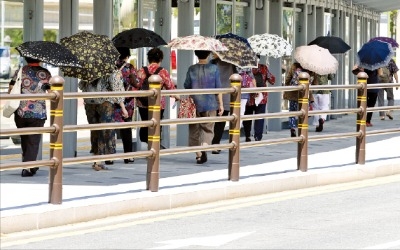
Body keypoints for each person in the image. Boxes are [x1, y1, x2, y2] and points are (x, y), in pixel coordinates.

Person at [8, 57, 51, 177]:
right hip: (38, 113)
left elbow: (11, 88)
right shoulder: (45, 73)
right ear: (40, 59)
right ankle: (27, 168)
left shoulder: (20, 71)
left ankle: (31, 164)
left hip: (21, 112)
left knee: (25, 139)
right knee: (33, 141)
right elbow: (52, 91)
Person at [79, 70, 128, 171]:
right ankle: (101, 159)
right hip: (105, 102)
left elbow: (81, 85)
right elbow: (116, 87)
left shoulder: (89, 69)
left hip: (90, 102)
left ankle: (96, 159)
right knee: (105, 130)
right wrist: (123, 107)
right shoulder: (111, 70)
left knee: (95, 130)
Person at [184, 50, 223, 164]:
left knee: (194, 129)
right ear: (208, 54)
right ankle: (204, 147)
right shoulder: (214, 68)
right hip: (210, 103)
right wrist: (220, 104)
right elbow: (218, 88)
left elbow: (186, 85)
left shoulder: (192, 69)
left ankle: (199, 155)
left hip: (194, 103)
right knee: (208, 128)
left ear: (196, 54)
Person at [136, 47, 179, 147]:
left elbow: (137, 86)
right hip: (158, 103)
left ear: (148, 58)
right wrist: (176, 96)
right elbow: (170, 87)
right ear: (160, 59)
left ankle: (147, 141)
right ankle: (154, 147)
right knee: (156, 125)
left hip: (142, 103)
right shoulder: (163, 72)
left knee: (146, 122)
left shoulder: (141, 71)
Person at [242, 56, 276, 141]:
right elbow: (272, 80)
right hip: (261, 97)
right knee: (260, 117)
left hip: (249, 96)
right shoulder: (263, 67)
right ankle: (258, 136)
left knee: (247, 117)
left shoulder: (246, 67)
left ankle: (247, 136)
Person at [209, 52, 237, 154]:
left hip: (213, 95)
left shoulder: (212, 63)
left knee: (212, 121)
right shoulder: (232, 64)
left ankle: (210, 143)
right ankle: (215, 145)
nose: (212, 54)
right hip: (226, 96)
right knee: (221, 123)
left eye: (214, 52)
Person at [114, 47, 138, 164]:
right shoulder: (129, 68)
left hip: (113, 101)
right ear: (127, 55)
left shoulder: (111, 67)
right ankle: (128, 155)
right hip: (127, 101)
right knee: (126, 127)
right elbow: (136, 83)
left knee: (111, 127)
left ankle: (109, 157)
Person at [283, 62, 314, 137]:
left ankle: (292, 127)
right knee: (303, 112)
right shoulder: (310, 68)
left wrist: (287, 87)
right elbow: (313, 82)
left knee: (292, 112)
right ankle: (302, 129)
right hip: (304, 94)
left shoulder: (294, 66)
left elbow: (288, 79)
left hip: (293, 93)